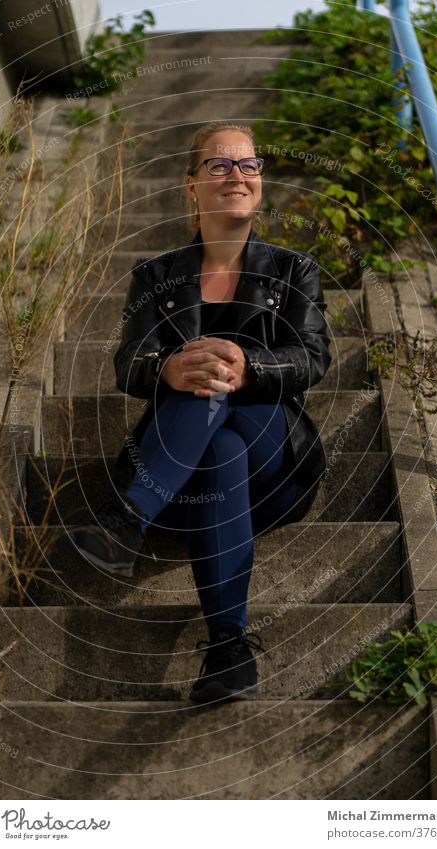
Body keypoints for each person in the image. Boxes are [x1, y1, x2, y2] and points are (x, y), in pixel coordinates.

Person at [70, 121, 332, 703]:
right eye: (218, 165)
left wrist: (249, 367)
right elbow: (128, 362)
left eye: (248, 164)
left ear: (260, 181)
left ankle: (127, 519)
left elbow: (313, 357)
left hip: (275, 467)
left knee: (217, 381)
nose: (236, 175)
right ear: (192, 186)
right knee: (218, 441)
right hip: (187, 471)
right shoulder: (156, 275)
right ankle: (228, 648)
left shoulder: (293, 270)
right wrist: (165, 368)